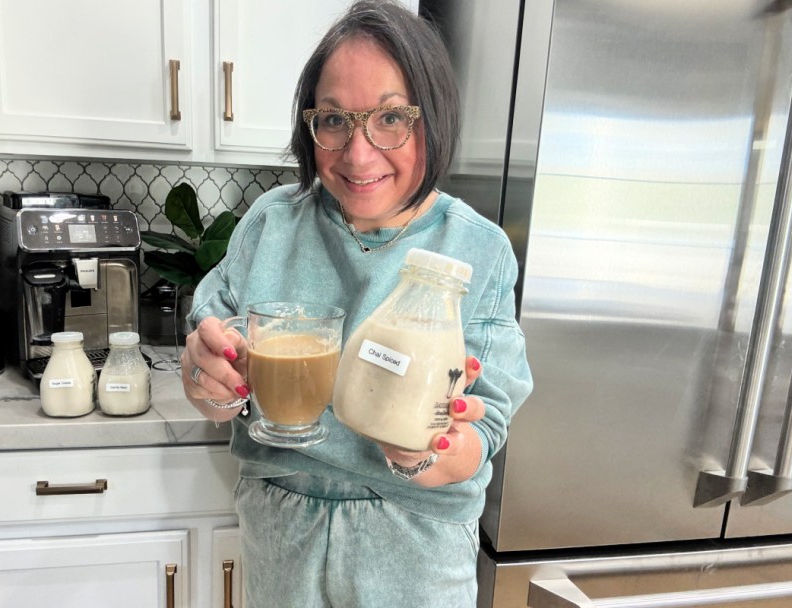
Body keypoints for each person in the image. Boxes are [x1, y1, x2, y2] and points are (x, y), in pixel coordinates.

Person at [180, 1, 533, 605]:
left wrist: (423, 453)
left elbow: (484, 428)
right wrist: (204, 379)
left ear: (435, 117)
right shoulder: (273, 225)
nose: (359, 153)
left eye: (391, 118)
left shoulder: (477, 248)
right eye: (334, 120)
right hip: (281, 534)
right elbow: (217, 379)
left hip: (415, 546)